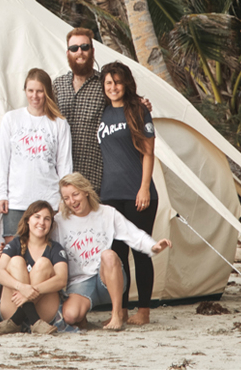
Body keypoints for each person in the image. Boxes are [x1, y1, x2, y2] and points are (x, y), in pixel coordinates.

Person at [53, 173, 171, 331]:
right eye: (66, 198)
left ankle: (117, 314)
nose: (72, 201)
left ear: (86, 191)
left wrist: (152, 246)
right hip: (80, 282)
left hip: (106, 280)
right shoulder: (60, 221)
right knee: (70, 316)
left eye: (75, 194)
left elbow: (132, 233)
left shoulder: (107, 213)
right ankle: (82, 317)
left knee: (108, 255)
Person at [98, 61, 160, 326]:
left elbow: (148, 152)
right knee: (118, 254)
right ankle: (120, 310)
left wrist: (144, 187)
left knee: (140, 252)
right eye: (109, 83)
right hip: (109, 196)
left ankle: (143, 311)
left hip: (138, 193)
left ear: (126, 84)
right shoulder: (101, 113)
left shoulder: (138, 111)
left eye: (118, 82)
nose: (113, 88)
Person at [52, 28, 151, 194]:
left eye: (84, 47)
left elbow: (126, 105)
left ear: (92, 50)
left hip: (97, 177)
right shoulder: (57, 85)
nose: (80, 52)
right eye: (74, 48)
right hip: (62, 177)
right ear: (68, 53)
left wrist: (142, 105)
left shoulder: (104, 85)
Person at [0, 69, 73, 241]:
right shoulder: (11, 119)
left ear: (47, 92)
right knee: (14, 254)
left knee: (46, 253)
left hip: (49, 200)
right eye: (30, 91)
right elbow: (2, 160)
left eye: (39, 91)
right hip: (17, 199)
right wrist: (3, 194)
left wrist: (64, 198)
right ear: (25, 91)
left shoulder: (59, 123)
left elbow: (65, 165)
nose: (35, 95)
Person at [0, 201, 67, 335]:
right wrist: (21, 287)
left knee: (43, 263)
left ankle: (16, 322)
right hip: (11, 307)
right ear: (27, 220)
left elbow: (62, 280)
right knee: (16, 261)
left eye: (47, 219)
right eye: (37, 217)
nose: (42, 222)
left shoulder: (55, 248)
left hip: (44, 312)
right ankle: (34, 321)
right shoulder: (16, 244)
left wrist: (31, 291)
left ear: (51, 224)